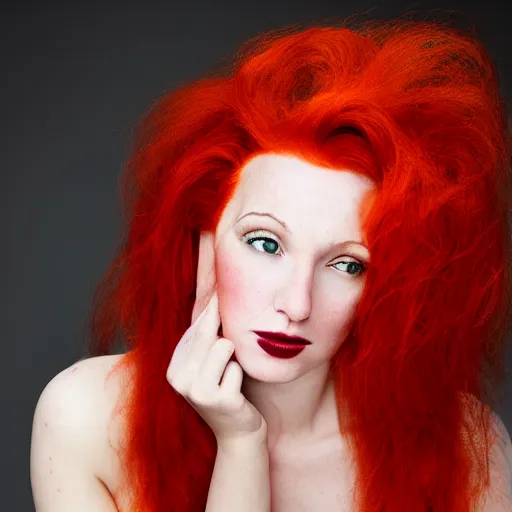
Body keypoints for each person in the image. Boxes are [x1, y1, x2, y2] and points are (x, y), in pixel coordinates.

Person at [30, 15, 512, 512]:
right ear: (206, 237)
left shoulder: (464, 447)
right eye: (265, 243)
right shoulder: (85, 418)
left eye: (347, 265)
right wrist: (241, 445)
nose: (297, 304)